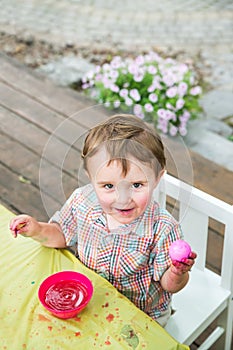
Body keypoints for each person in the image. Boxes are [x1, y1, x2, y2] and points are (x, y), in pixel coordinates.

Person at [9, 114, 196, 327]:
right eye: (108, 186)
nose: (123, 198)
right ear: (91, 178)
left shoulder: (163, 228)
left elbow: (169, 285)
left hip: (142, 316)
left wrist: (177, 272)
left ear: (157, 179)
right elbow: (61, 235)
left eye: (136, 185)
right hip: (92, 301)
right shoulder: (82, 201)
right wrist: (36, 229)